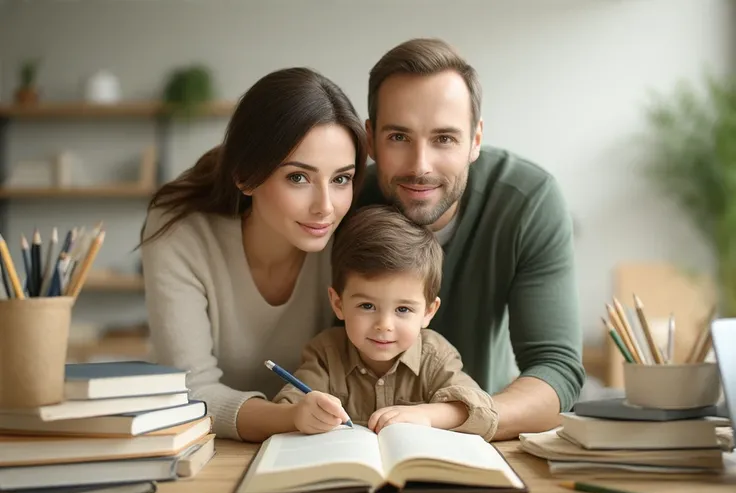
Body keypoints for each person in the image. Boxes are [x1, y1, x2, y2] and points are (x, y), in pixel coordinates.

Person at [352, 38, 586, 440]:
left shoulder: (528, 201)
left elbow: (557, 368)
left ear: (476, 139)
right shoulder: (342, 201)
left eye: (444, 138)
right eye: (399, 137)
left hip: (487, 440)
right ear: (370, 140)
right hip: (352, 438)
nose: (420, 166)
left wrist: (449, 417)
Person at [139, 67, 368, 442]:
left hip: (322, 444)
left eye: (341, 178)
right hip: (206, 449)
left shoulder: (352, 229)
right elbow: (189, 390)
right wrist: (291, 417)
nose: (326, 207)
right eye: (298, 177)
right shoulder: (180, 231)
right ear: (246, 175)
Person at [268, 204, 499, 442]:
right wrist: (300, 414)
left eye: (403, 309)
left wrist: (427, 415)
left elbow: (484, 411)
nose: (384, 325)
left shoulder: (435, 356)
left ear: (429, 312)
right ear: (338, 304)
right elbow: (286, 406)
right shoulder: (325, 354)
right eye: (367, 306)